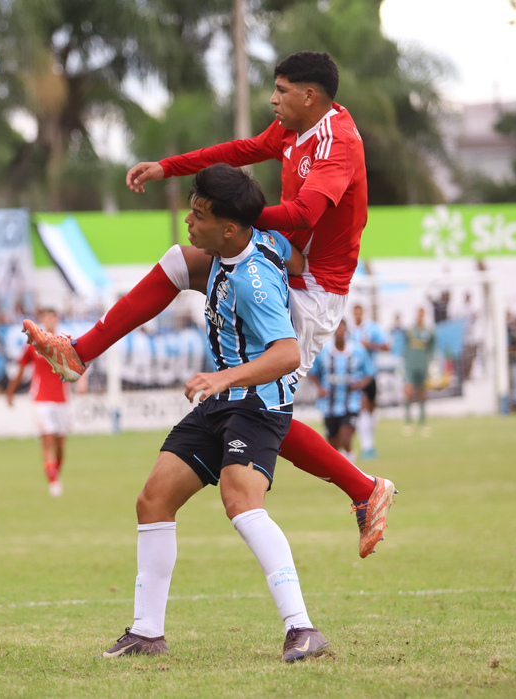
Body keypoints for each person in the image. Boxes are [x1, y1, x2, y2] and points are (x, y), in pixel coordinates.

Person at [24, 51, 396, 560]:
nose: (273, 99)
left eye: (282, 90)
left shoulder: (338, 144)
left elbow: (307, 210)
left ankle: (363, 488)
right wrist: (168, 168)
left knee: (268, 412)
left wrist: (229, 215)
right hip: (286, 261)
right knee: (182, 260)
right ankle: (79, 351)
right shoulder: (293, 129)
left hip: (313, 289)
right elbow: (240, 151)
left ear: (310, 95)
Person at [98, 165, 328, 662]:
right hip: (223, 399)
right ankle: (146, 633)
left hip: (257, 402)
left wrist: (222, 377)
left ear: (228, 229)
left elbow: (287, 353)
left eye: (198, 215)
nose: (188, 221)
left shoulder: (253, 282)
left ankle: (302, 629)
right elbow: (296, 256)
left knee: (241, 502)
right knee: (154, 500)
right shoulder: (256, 242)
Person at [7, 308, 70, 496]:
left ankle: (54, 473)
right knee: (48, 440)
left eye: (53, 316)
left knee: (60, 445)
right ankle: (53, 481)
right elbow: (20, 369)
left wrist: (82, 382)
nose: (49, 320)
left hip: (62, 399)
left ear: (57, 319)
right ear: (41, 320)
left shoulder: (65, 343)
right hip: (41, 399)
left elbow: (80, 364)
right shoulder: (34, 344)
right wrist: (10, 392)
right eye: (45, 317)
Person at [307, 319, 374, 463]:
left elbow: (369, 373)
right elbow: (312, 371)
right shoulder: (324, 351)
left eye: (342, 329)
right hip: (329, 404)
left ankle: (351, 465)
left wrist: (360, 384)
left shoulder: (358, 351)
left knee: (346, 436)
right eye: (336, 329)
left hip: (351, 402)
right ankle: (339, 470)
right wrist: (320, 388)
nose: (339, 332)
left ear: (347, 331)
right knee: (333, 443)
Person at [348, 304, 388, 459]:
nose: (357, 315)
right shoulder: (348, 330)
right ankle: (367, 446)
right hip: (355, 377)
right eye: (355, 312)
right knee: (362, 407)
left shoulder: (372, 328)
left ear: (362, 313)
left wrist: (369, 345)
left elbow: (386, 346)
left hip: (370, 374)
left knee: (371, 409)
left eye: (360, 312)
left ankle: (371, 442)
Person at [403, 307, 435, 436]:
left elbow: (432, 347)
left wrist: (431, 362)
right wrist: (404, 362)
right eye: (419, 313)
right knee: (409, 392)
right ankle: (408, 422)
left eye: (423, 313)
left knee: (422, 394)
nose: (420, 316)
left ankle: (422, 423)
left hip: (423, 365)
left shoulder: (429, 332)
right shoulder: (410, 331)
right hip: (410, 365)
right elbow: (404, 346)